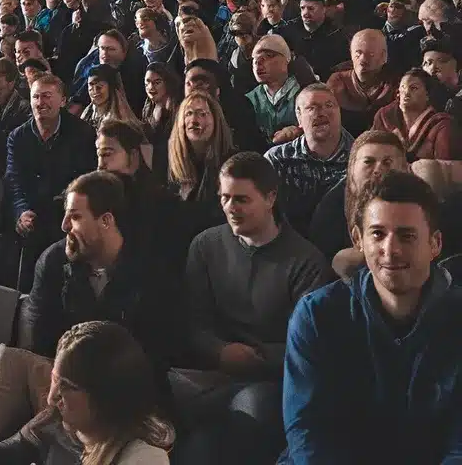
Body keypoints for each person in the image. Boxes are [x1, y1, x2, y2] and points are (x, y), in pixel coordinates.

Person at [283, 172, 462, 464]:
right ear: (358, 239)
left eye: (407, 235)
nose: (390, 250)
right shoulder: (317, 316)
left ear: (435, 244)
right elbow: (308, 432)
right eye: (377, 234)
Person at [173, 152, 332, 465]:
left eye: (242, 199)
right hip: (210, 372)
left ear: (270, 197)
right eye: (225, 198)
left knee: (251, 409)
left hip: (270, 379)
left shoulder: (306, 262)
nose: (231, 208)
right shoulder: (205, 246)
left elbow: (305, 346)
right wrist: (220, 351)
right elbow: (193, 321)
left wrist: (253, 356)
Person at [0, 321, 173, 465]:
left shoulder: (143, 458)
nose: (52, 397)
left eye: (67, 386)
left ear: (105, 395)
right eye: (55, 381)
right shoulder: (59, 421)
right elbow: (6, 452)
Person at [20, 171, 178, 390]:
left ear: (106, 220)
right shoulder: (53, 262)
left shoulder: (151, 271)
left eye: (75, 217)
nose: (64, 226)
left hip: (123, 390)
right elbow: (39, 344)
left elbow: (154, 357)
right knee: (9, 365)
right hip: (57, 380)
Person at [6, 74, 98, 291]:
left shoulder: (82, 134)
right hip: (31, 218)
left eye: (47, 96)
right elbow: (13, 181)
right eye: (36, 97)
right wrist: (21, 211)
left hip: (65, 217)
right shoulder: (18, 137)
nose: (41, 103)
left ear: (62, 100)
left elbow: (85, 179)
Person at [307, 129, 409, 266]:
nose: (378, 170)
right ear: (351, 168)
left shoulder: (421, 202)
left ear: (404, 169)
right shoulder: (330, 208)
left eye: (387, 162)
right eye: (369, 162)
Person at [264, 84, 352, 235]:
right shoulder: (278, 159)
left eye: (329, 105)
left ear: (339, 112)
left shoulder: (360, 159)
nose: (322, 113)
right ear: (298, 117)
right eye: (312, 107)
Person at [372, 68, 462, 160]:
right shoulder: (384, 117)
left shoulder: (442, 125)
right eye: (402, 87)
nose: (406, 93)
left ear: (427, 94)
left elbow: (445, 168)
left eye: (413, 88)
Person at [167, 93, 234, 208]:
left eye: (202, 114)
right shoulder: (168, 163)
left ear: (216, 120)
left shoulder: (232, 163)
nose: (194, 120)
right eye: (188, 114)